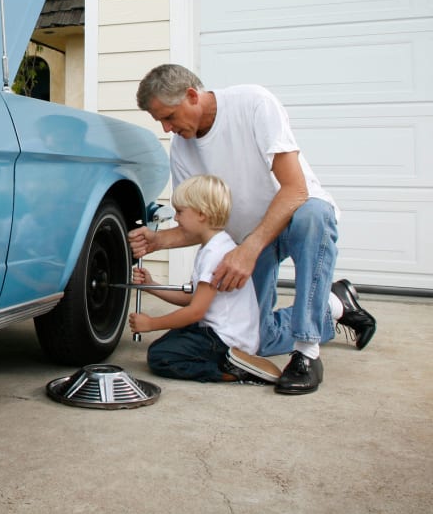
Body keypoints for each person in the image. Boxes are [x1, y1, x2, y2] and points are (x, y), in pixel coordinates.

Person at [129, 64, 376, 395]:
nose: (166, 127)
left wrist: (248, 250)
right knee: (254, 338)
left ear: (191, 96)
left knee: (314, 215)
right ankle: (335, 305)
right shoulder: (183, 149)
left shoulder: (253, 104)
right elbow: (198, 223)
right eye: (159, 121)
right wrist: (157, 241)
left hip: (293, 219)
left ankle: (306, 353)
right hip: (247, 238)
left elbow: (295, 189)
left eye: (169, 116)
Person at [129, 174, 282, 384]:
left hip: (225, 339)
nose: (176, 219)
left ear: (202, 214)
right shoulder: (215, 246)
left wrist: (152, 324)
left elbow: (195, 311)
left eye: (180, 212)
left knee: (160, 356)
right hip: (215, 330)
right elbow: (192, 298)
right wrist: (152, 285)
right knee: (166, 343)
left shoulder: (214, 254)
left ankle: (231, 370)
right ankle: (232, 362)